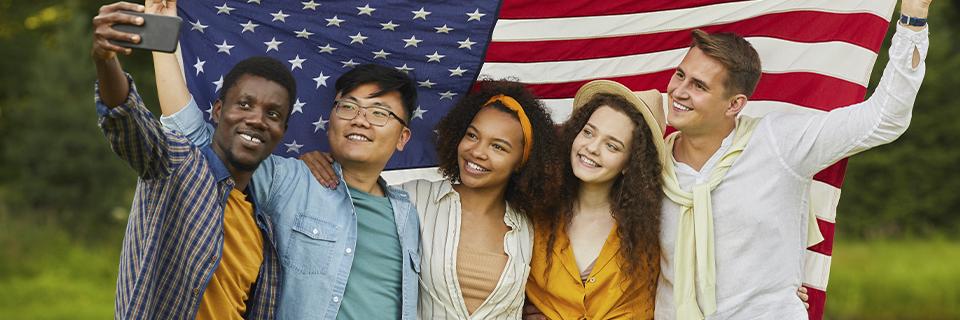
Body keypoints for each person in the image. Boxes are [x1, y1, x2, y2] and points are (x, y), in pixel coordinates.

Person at [655, 0, 931, 318]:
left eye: (699, 85)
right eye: (680, 75)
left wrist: (914, 16)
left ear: (734, 104)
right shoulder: (647, 162)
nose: (679, 91)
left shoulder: (779, 143)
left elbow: (885, 118)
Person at [153, 2, 422, 316]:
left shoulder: (412, 212)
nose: (360, 120)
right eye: (348, 107)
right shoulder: (288, 181)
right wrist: (160, 34)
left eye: (378, 113)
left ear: (403, 137)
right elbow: (194, 140)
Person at [91, 2, 295, 319]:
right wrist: (105, 60)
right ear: (217, 111)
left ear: (282, 132)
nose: (257, 120)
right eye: (244, 104)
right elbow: (126, 119)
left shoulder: (263, 230)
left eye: (273, 114)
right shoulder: (177, 165)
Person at [303, 80, 561, 319]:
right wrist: (308, 166)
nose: (477, 151)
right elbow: (347, 198)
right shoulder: (412, 198)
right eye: (472, 135)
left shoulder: (531, 228)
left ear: (522, 161)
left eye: (498, 147)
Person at [524, 81, 667, 320]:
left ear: (629, 164)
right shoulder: (535, 209)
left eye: (612, 145)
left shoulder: (647, 232)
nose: (592, 148)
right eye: (589, 132)